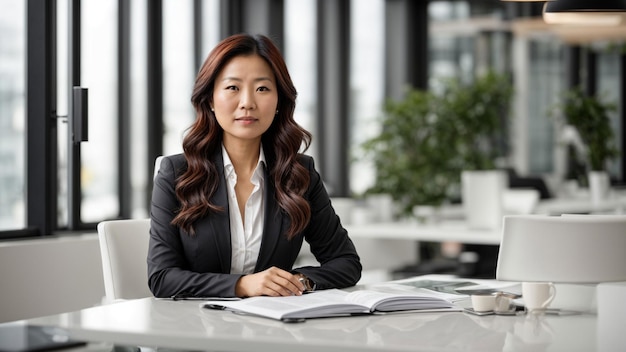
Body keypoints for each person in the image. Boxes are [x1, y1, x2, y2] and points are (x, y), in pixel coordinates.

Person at [147, 33, 362, 299]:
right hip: (195, 330)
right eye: (232, 88)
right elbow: (162, 278)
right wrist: (243, 285)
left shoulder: (299, 174)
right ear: (211, 99)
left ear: (278, 102)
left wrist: (297, 281)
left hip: (272, 328)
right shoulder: (176, 174)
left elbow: (346, 262)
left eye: (262, 88)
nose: (247, 102)